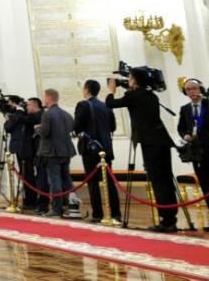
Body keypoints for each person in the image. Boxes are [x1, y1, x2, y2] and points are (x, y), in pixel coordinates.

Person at [106, 69, 179, 232]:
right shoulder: (150, 95)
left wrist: (111, 91)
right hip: (161, 141)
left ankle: (166, 221)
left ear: (135, 80)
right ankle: (170, 217)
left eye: (130, 78)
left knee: (158, 182)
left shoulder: (134, 96)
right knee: (166, 180)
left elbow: (110, 103)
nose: (128, 80)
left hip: (150, 142)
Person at [73, 80, 120, 223]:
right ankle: (115, 213)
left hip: (90, 148)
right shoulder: (106, 106)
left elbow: (77, 127)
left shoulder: (83, 105)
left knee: (93, 182)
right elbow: (112, 127)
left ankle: (98, 213)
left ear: (86, 89)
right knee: (110, 183)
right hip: (105, 148)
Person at [36, 89, 76, 218]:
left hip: (52, 152)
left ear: (49, 98)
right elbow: (70, 130)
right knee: (67, 180)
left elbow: (45, 132)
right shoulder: (66, 114)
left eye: (44, 97)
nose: (43, 99)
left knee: (55, 181)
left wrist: (37, 128)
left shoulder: (48, 114)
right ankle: (72, 206)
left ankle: (57, 208)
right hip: (66, 151)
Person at [178, 78, 209, 230]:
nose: (192, 92)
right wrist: (185, 136)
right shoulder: (185, 109)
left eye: (194, 88)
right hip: (197, 153)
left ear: (200, 89)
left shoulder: (208, 104)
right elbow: (181, 128)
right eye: (188, 89)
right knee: (205, 184)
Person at [4, 95, 41, 210]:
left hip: (28, 148)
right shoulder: (17, 115)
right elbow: (8, 128)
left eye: (10, 103)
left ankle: (31, 200)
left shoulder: (25, 114)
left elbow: (26, 121)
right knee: (25, 175)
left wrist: (18, 111)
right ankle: (28, 200)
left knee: (29, 175)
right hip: (19, 148)